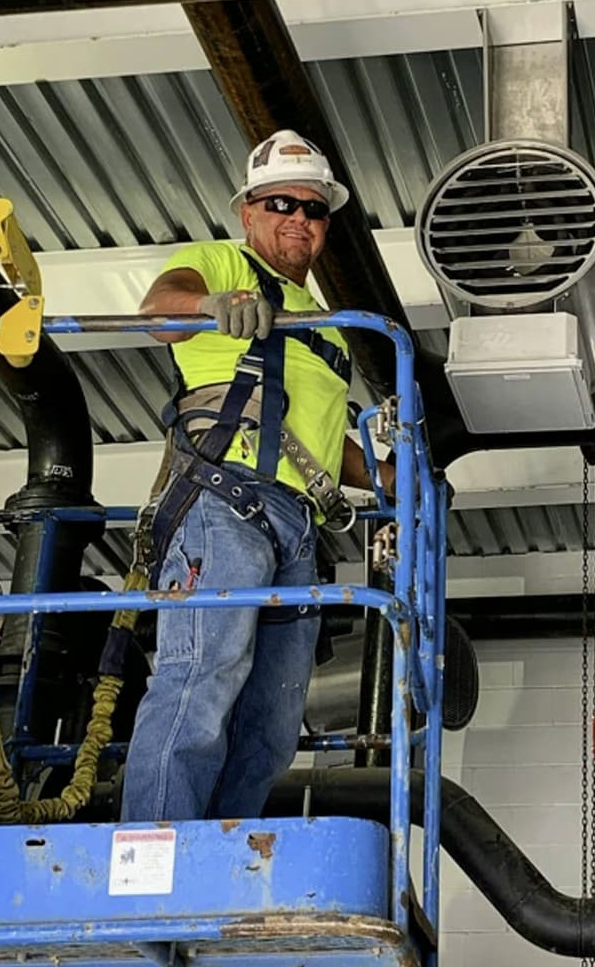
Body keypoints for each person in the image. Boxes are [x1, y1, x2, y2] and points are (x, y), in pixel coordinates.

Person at [121, 129, 394, 822]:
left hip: (297, 530)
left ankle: (218, 854)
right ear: (248, 212)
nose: (300, 218)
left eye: (314, 209)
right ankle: (153, 859)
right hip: (224, 502)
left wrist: (394, 478)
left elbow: (318, 445)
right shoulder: (219, 262)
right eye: (281, 203)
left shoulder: (327, 327)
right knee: (200, 681)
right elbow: (159, 312)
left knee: (273, 725)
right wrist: (209, 306)